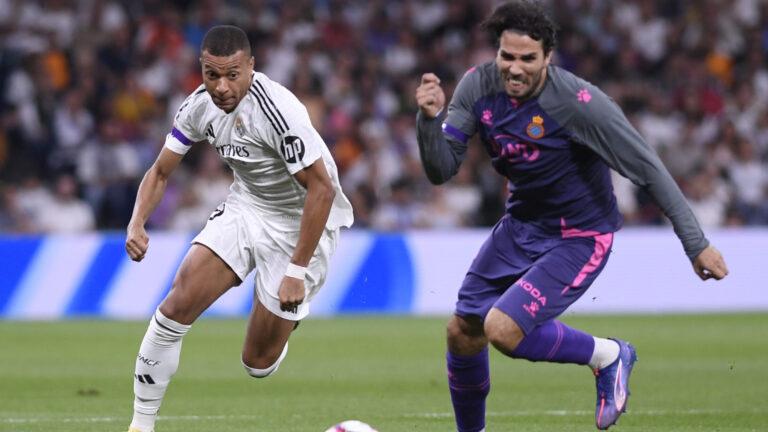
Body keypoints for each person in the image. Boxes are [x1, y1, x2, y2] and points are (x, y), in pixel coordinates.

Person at [414, 2, 729, 431]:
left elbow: (648, 169)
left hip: (579, 235)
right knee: (462, 331)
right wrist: (429, 121)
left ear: (548, 57)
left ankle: (609, 355)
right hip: (520, 226)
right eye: (507, 56)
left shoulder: (581, 104)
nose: (515, 68)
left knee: (502, 329)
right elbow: (441, 170)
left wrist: (696, 243)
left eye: (528, 58)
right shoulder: (477, 85)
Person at [123, 25, 353, 432]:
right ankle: (140, 426)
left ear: (251, 67)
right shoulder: (197, 106)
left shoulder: (278, 111)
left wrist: (295, 271)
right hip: (246, 206)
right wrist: (137, 221)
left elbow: (322, 189)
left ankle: (283, 319)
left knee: (257, 363)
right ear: (202, 69)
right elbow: (159, 171)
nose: (221, 87)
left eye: (232, 74)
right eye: (212, 74)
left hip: (299, 220)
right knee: (176, 304)